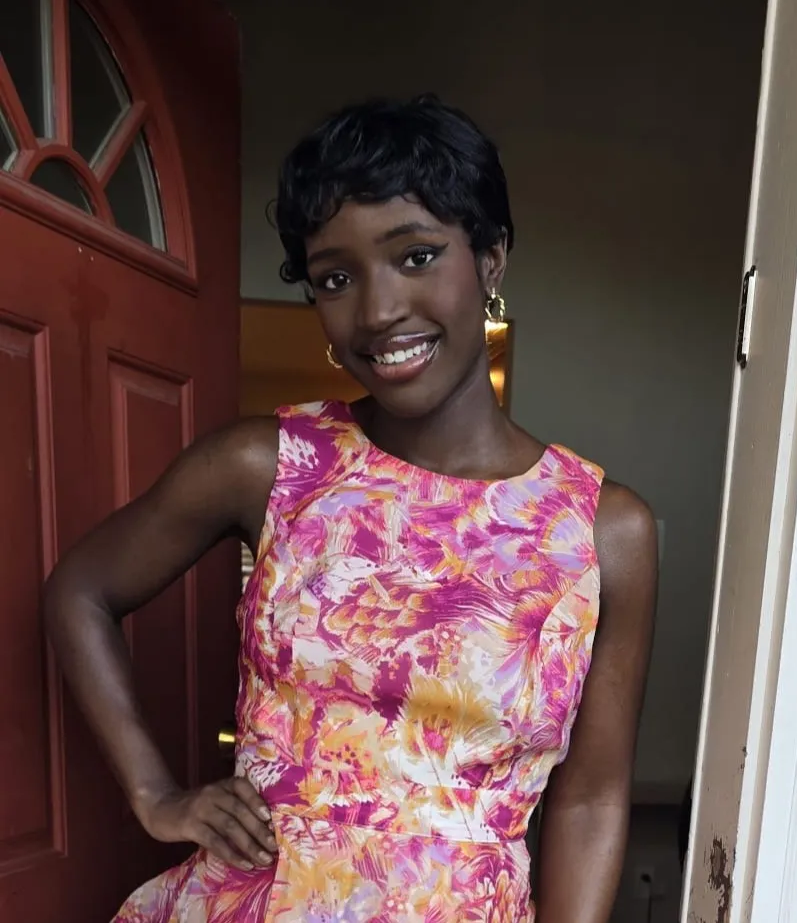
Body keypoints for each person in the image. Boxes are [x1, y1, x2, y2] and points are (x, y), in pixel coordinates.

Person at [44, 95, 657, 923]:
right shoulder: (270, 466)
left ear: (492, 257)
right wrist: (155, 794)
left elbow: (589, 801)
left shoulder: (602, 533)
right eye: (336, 277)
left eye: (416, 256)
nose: (376, 311)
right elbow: (79, 589)